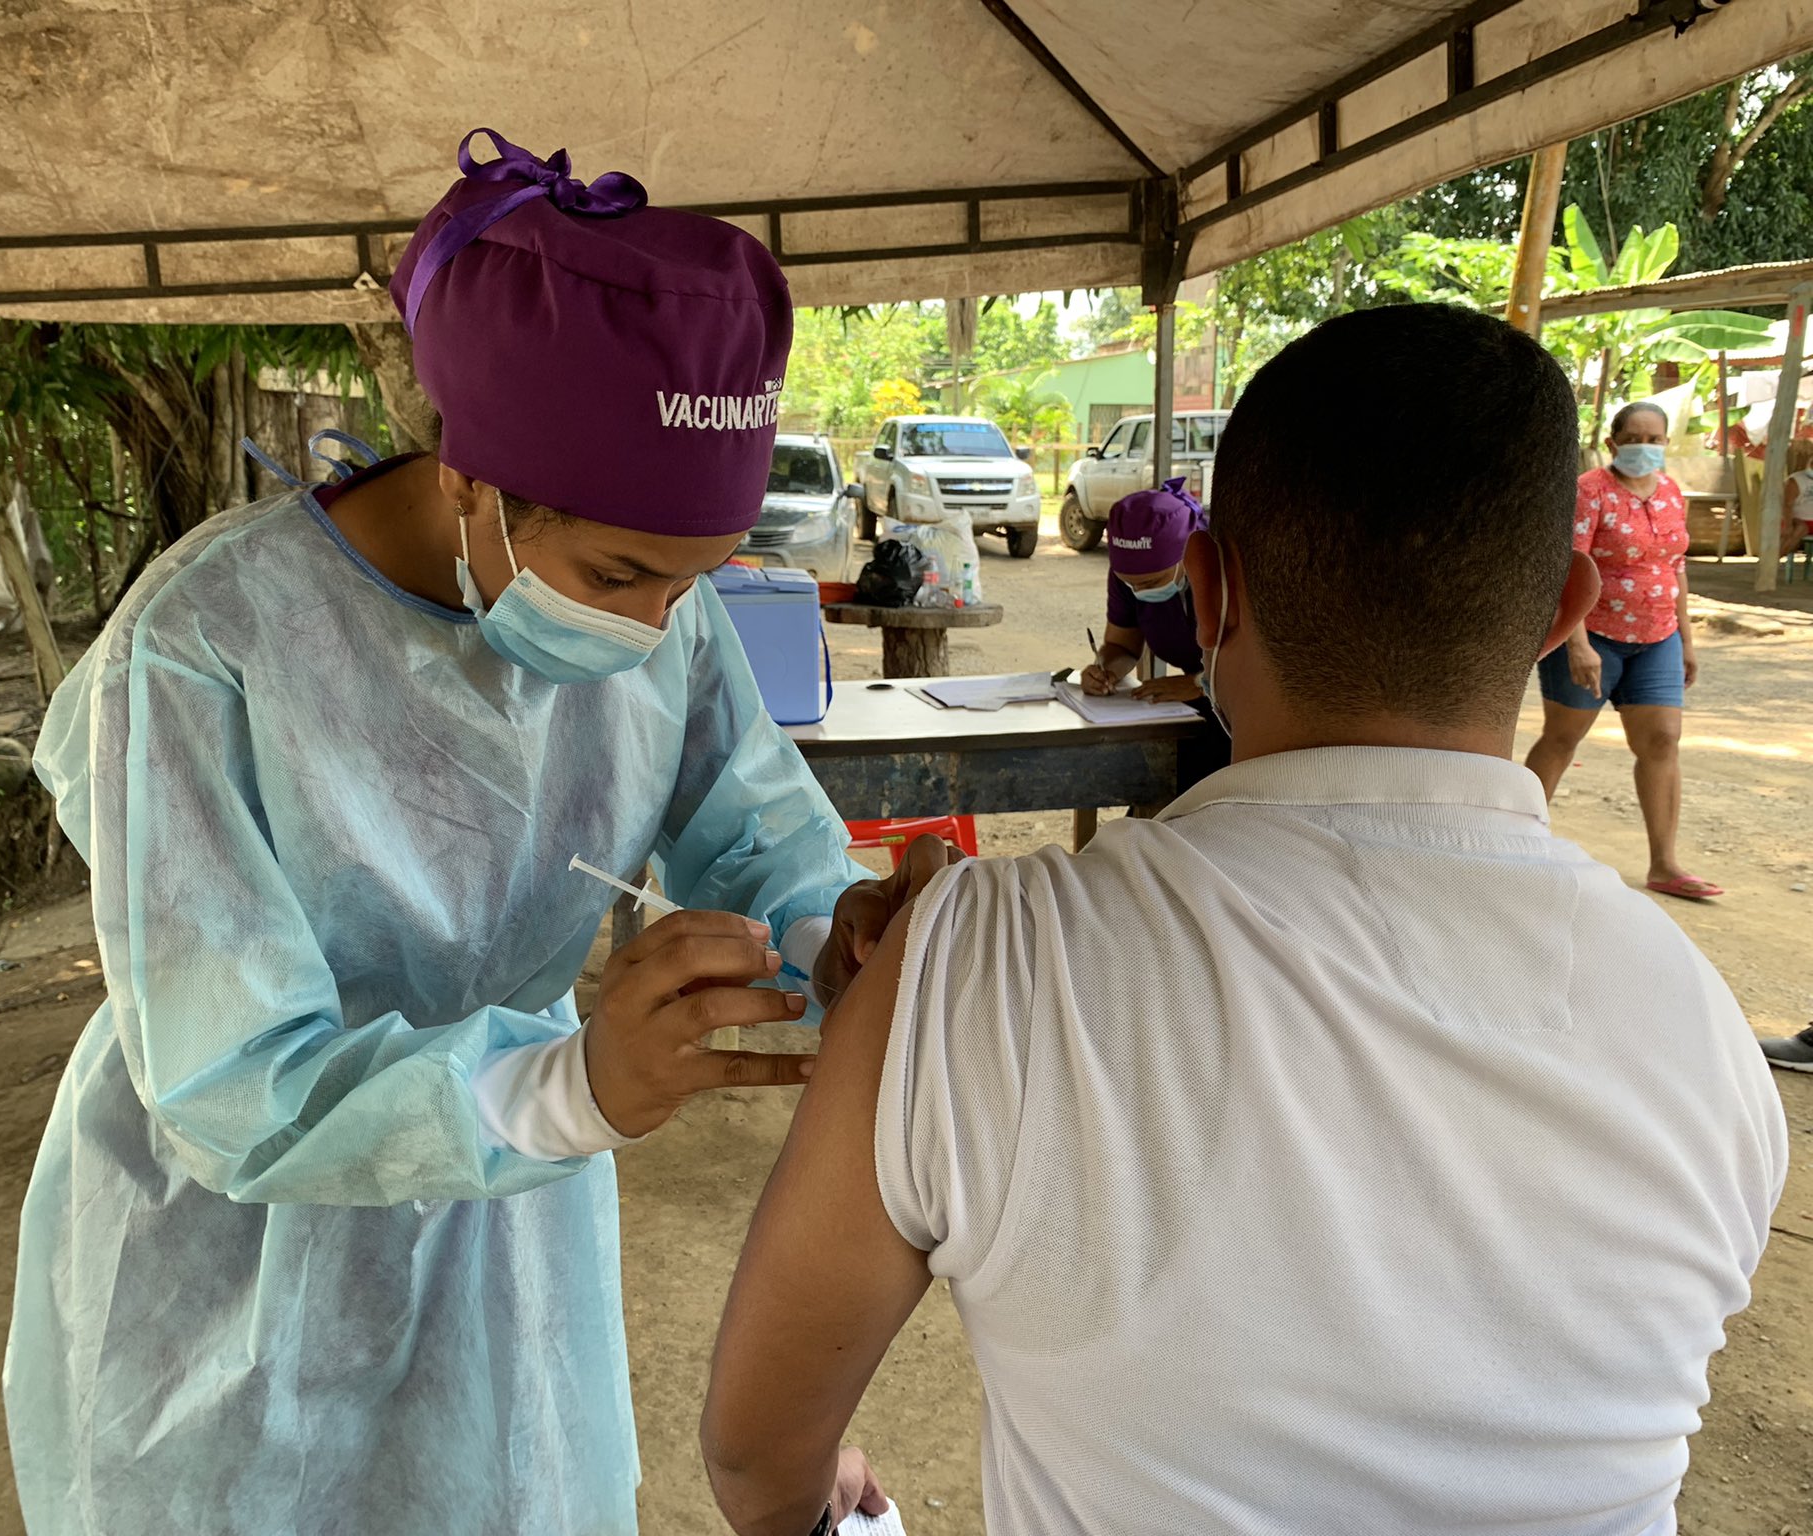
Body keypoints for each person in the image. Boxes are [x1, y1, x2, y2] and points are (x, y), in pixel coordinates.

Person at [700, 305, 1786, 1535]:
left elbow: (754, 1460)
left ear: (1206, 595)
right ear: (1561, 613)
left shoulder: (975, 960)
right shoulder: (1702, 1038)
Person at [3, 128, 923, 1536]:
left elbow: (756, 837)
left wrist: (834, 928)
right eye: (618, 573)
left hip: (509, 1196)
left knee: (510, 1488)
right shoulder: (206, 648)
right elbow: (233, 1084)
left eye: (696, 583)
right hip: (243, 1239)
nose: (654, 626)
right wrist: (572, 1089)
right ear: (472, 482)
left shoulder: (664, 624)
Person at [1524, 401, 1720, 900]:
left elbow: (1676, 566)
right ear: (1613, 443)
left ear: (1666, 444)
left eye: (1655, 439)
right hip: (1595, 637)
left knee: (1662, 741)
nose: (1646, 447)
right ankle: (1519, 842)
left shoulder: (1672, 492)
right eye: (1635, 437)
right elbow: (1572, 563)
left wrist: (1686, 639)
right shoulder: (1589, 492)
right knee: (1562, 739)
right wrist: (1578, 644)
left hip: (1658, 638)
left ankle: (1665, 864)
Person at [1078, 477, 1214, 706]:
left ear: (1188, 555)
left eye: (1151, 582)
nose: (1138, 591)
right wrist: (1105, 671)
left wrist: (1201, 684)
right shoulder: (1127, 577)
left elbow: (1265, 665)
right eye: (1129, 583)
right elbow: (1122, 646)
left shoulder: (1226, 574)